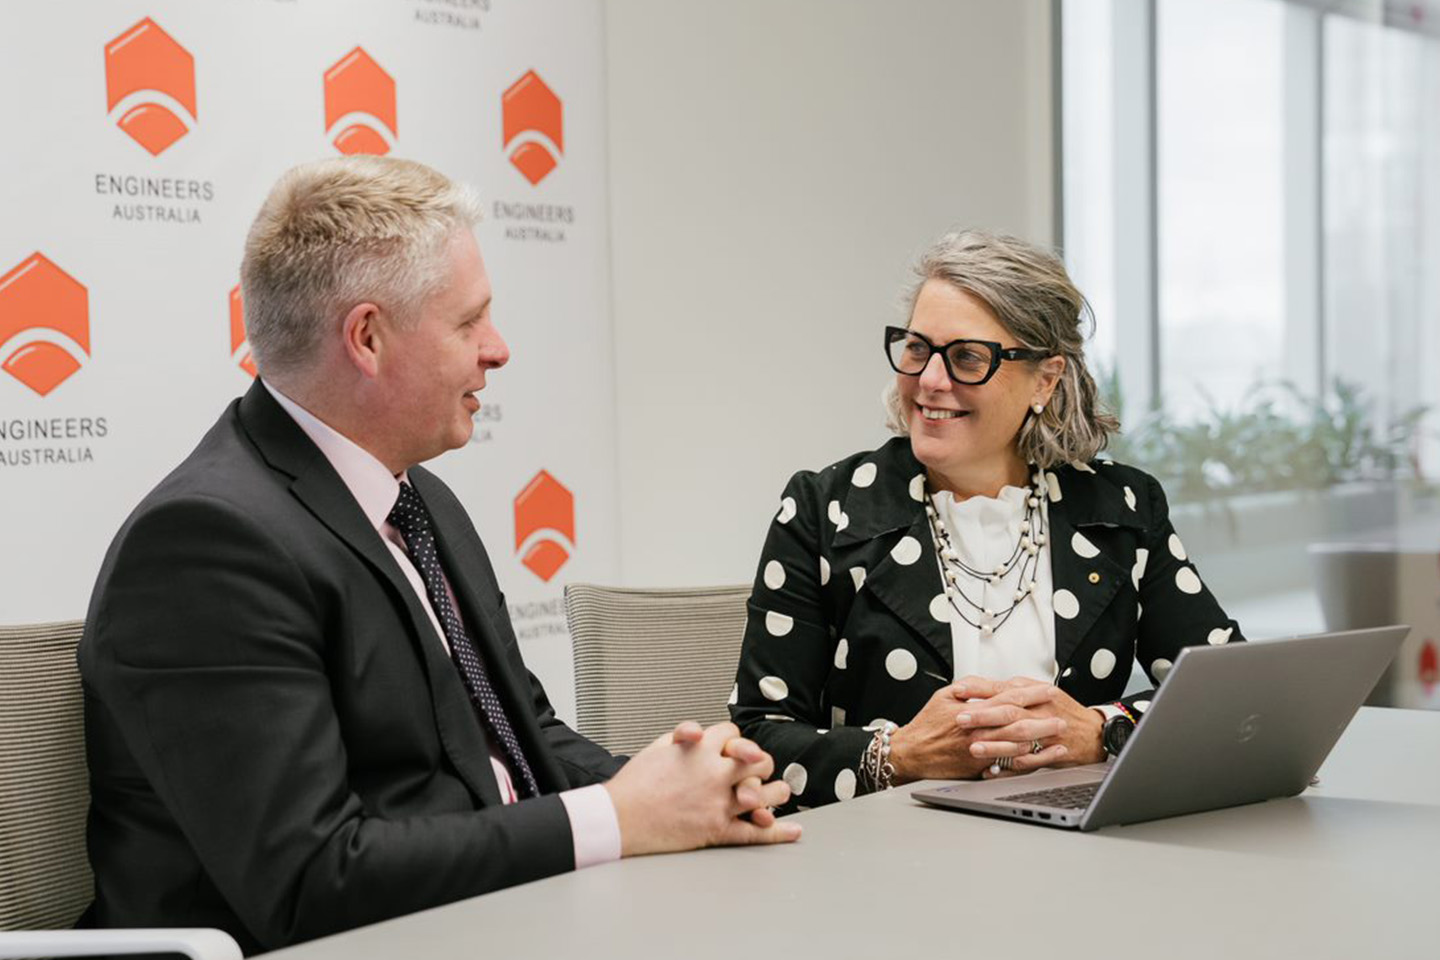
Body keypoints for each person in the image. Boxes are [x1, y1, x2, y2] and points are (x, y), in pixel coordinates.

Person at [78, 156, 798, 954]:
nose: (498, 349)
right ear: (367, 338)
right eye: (469, 323)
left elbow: (521, 734)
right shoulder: (206, 545)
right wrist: (617, 818)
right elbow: (311, 883)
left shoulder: (419, 500)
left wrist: (692, 790)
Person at [730, 229, 1244, 810]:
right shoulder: (827, 510)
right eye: (917, 348)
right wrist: (900, 755)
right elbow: (758, 738)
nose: (930, 380)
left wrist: (1104, 732)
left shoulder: (1121, 509)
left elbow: (1229, 692)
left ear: (1045, 380)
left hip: (1080, 849)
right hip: (890, 851)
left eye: (968, 358)